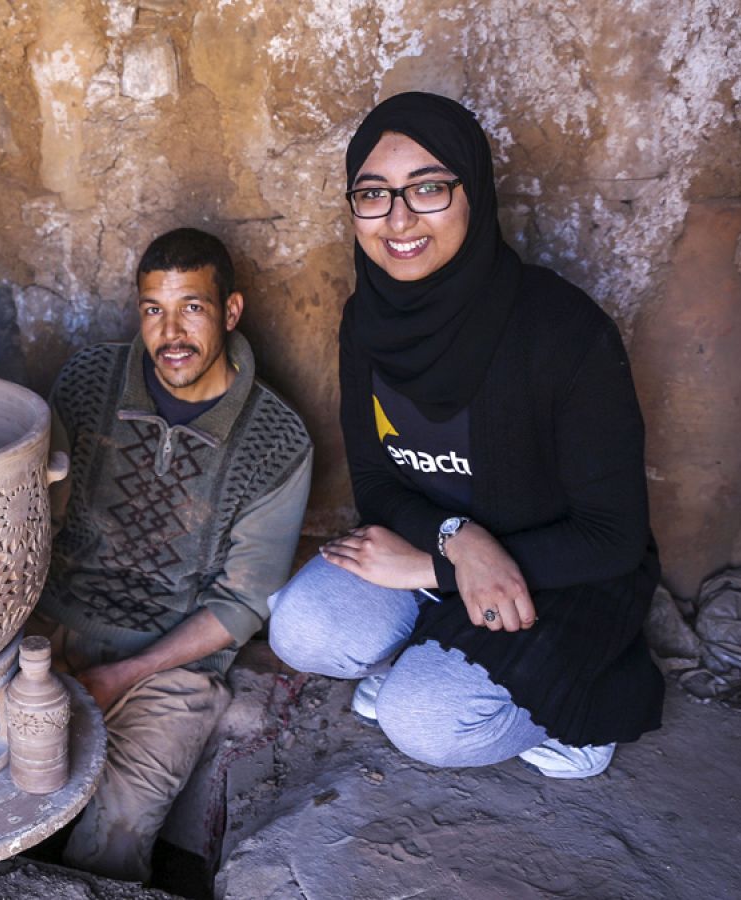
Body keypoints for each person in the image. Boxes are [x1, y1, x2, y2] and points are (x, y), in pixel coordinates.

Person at [268, 92, 663, 779]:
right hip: (439, 543)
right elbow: (375, 481)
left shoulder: (565, 334)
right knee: (301, 630)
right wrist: (455, 540)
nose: (398, 220)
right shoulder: (368, 320)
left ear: (473, 192)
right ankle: (441, 643)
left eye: (427, 189)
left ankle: (575, 708)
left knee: (426, 723)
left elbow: (614, 538)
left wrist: (435, 566)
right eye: (374, 194)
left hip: (563, 576)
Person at [33, 228, 312, 882]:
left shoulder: (275, 441)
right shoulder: (87, 382)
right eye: (154, 309)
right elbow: (33, 519)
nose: (171, 331)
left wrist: (123, 674)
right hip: (50, 628)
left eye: (193, 307)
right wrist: (31, 644)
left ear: (231, 311)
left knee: (117, 832)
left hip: (170, 665)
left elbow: (242, 603)